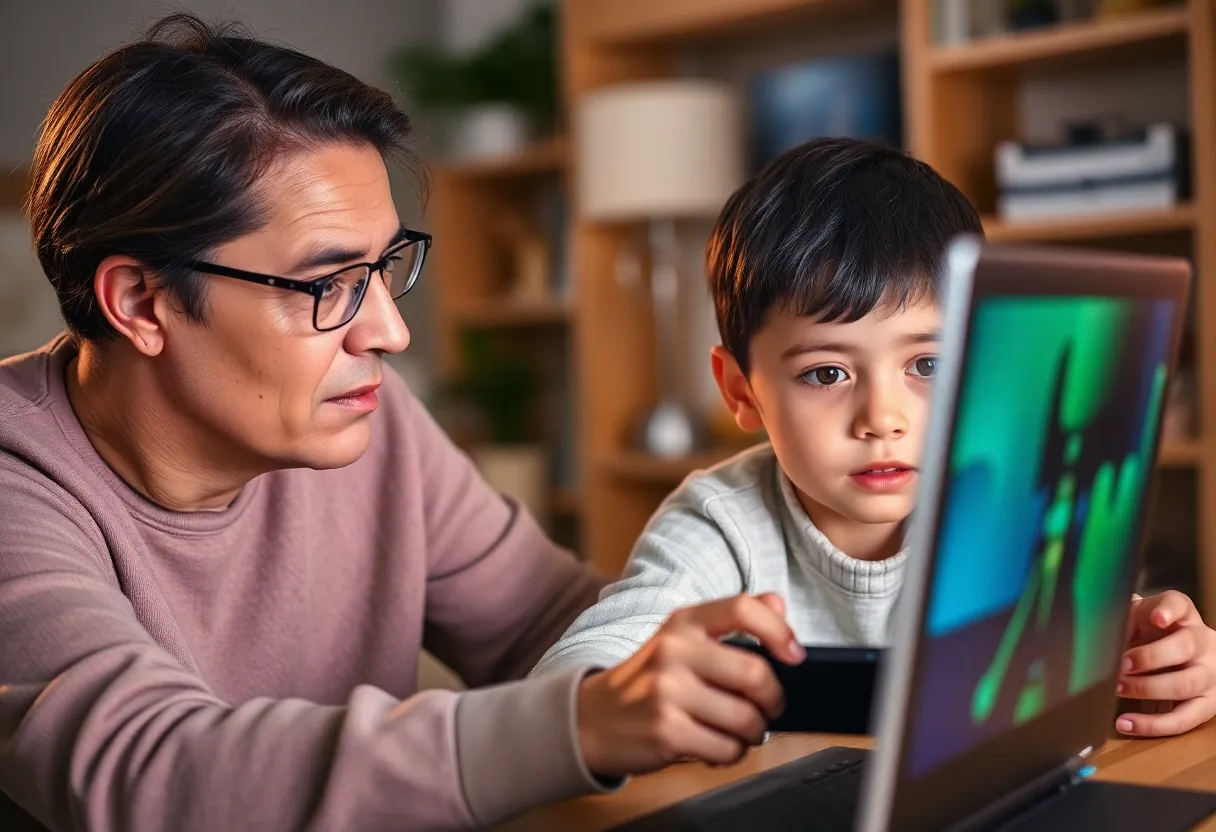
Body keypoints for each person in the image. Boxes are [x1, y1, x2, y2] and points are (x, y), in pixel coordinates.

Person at [0, 15, 806, 832]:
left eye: (383, 268)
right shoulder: (16, 486)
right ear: (141, 301)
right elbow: (156, 773)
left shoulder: (361, 422)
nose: (389, 330)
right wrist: (581, 723)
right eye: (329, 284)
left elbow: (546, 619)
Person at [533, 138, 1216, 742]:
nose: (882, 418)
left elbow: (1077, 639)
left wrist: (1158, 648)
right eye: (826, 372)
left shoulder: (997, 497)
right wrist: (619, 694)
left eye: (929, 364)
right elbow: (573, 683)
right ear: (741, 390)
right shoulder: (718, 523)